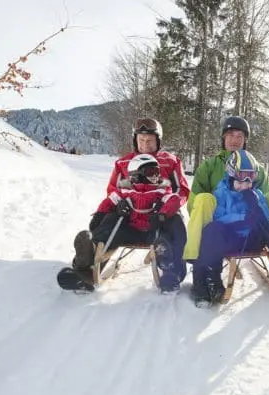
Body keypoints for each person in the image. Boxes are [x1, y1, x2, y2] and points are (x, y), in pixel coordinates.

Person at [185, 115, 269, 290]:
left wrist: (258, 213)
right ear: (223, 138)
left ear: (245, 140)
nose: (235, 140)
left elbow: (265, 197)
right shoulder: (209, 166)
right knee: (203, 199)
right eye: (230, 135)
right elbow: (194, 205)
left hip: (252, 224)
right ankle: (199, 265)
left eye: (240, 136)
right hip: (220, 223)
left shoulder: (255, 167)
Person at [72, 118, 190, 292]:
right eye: (141, 140)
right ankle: (88, 262)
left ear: (158, 141)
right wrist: (118, 205)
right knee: (110, 221)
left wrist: (166, 209)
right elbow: (113, 190)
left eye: (150, 140)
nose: (145, 144)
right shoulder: (124, 163)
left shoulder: (170, 161)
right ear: (135, 140)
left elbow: (182, 190)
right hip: (129, 220)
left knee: (175, 225)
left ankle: (172, 271)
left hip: (159, 218)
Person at [191, 150, 269, 307]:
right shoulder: (220, 193)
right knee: (212, 230)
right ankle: (212, 278)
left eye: (250, 178)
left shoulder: (256, 194)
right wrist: (242, 219)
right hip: (230, 240)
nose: (246, 184)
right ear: (231, 175)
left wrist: (256, 207)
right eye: (242, 178)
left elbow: (266, 219)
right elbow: (218, 218)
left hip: (253, 239)